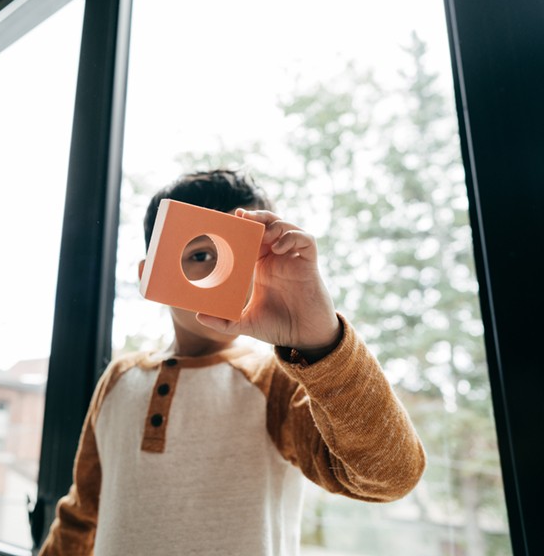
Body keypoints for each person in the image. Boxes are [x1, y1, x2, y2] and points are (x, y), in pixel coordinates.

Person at [38, 169, 426, 556]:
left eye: (251, 257)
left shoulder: (277, 384)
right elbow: (82, 515)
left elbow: (390, 476)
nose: (228, 276)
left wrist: (320, 339)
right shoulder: (119, 379)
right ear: (149, 276)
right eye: (201, 255)